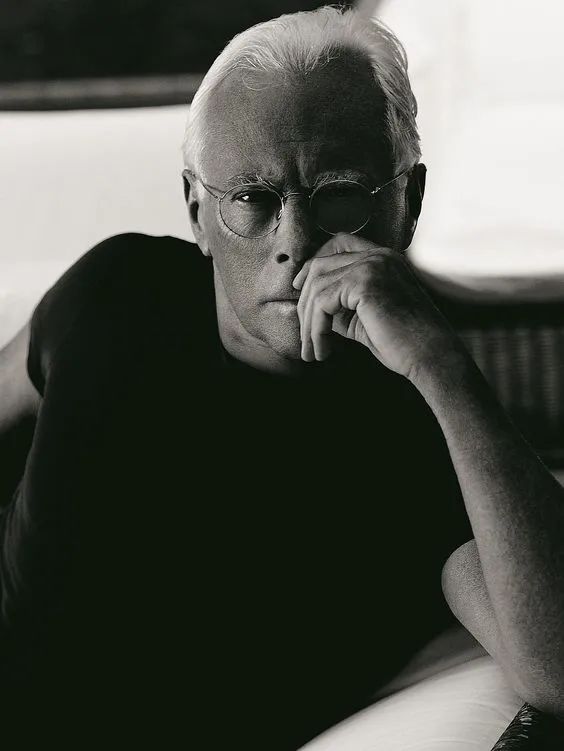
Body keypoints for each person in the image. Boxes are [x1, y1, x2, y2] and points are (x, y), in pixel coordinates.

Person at [0, 5, 563, 746]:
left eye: (341, 195)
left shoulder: (415, 429)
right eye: (252, 200)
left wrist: (444, 366)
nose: (295, 241)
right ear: (197, 210)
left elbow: (556, 670)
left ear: (408, 204)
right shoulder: (119, 291)